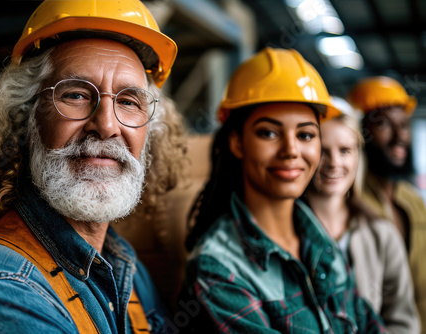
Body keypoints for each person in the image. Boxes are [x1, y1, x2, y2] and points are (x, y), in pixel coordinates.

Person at [0, 0, 186, 333]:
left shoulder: (123, 263)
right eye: (76, 95)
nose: (106, 125)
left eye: (127, 101)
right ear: (26, 117)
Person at [181, 47, 385, 333]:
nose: (291, 151)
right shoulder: (218, 268)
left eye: (305, 135)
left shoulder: (318, 238)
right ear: (237, 142)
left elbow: (366, 321)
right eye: (269, 133)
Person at [303, 100, 419, 333]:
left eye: (345, 150)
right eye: (322, 151)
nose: (334, 163)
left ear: (358, 156)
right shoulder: (282, 230)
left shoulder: (382, 233)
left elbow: (402, 320)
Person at [348, 76, 426, 332]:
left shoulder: (413, 200)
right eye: (383, 125)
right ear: (360, 133)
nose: (398, 136)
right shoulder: (349, 201)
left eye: (402, 125)